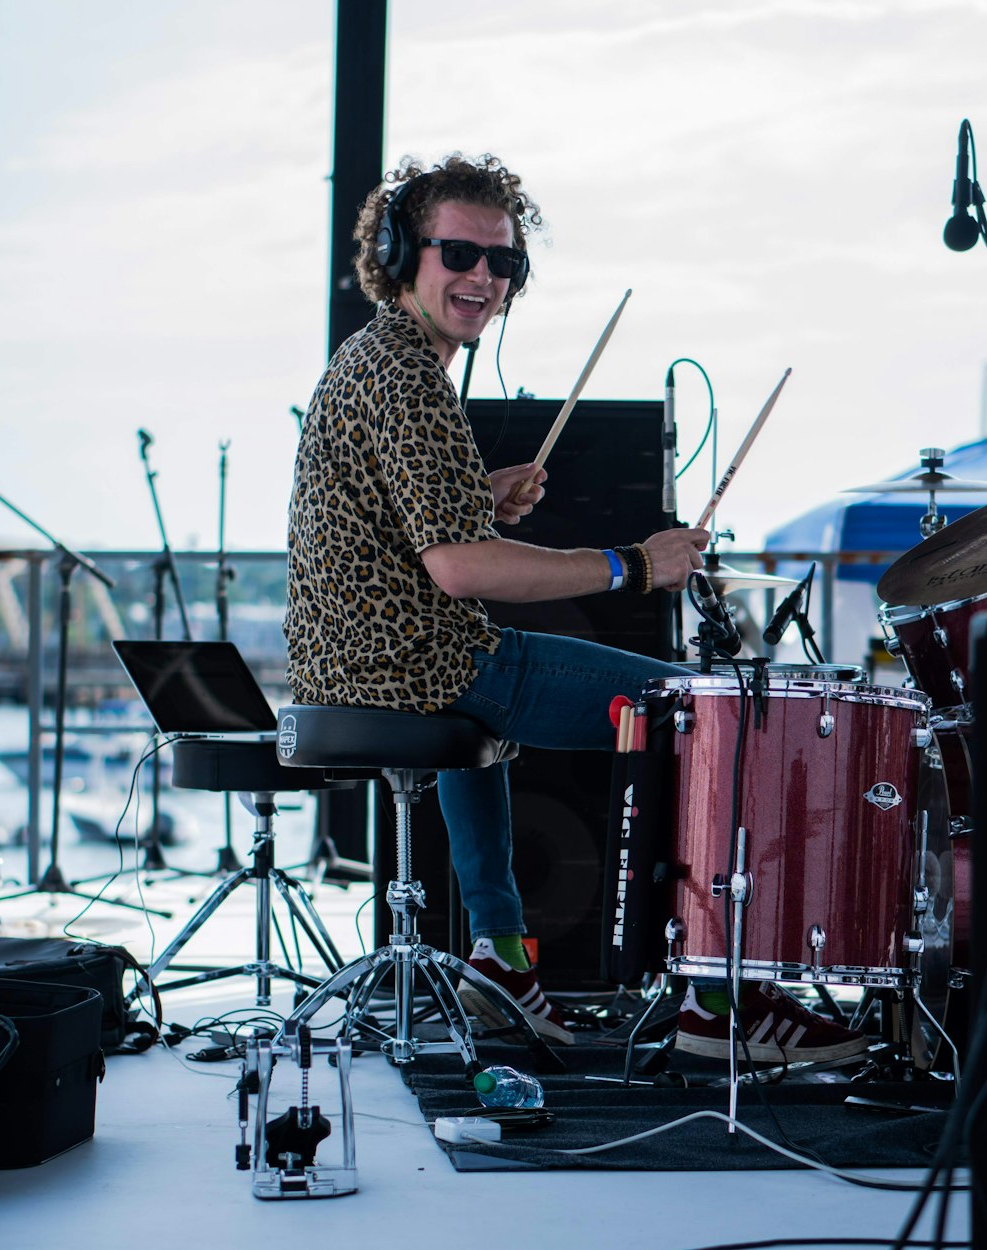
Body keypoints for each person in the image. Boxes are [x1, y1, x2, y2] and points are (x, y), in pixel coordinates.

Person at [283, 152, 866, 1063]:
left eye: (502, 263)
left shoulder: (376, 361)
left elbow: (402, 528)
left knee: (487, 701)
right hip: (420, 665)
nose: (482, 278)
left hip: (358, 668)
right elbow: (462, 573)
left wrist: (477, 488)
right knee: (710, 718)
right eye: (458, 255)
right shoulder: (408, 378)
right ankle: (721, 1002)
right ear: (402, 253)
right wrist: (634, 564)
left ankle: (502, 957)